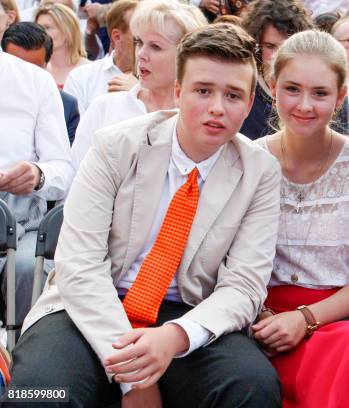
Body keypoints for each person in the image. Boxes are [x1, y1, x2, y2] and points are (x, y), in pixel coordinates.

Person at [3, 23, 282, 408]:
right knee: (39, 392)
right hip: (92, 302)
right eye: (203, 91)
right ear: (180, 92)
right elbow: (79, 265)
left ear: (250, 103)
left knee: (252, 385)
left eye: (233, 95)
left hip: (188, 310)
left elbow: (245, 286)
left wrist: (175, 337)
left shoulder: (260, 171)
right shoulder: (115, 146)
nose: (217, 107)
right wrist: (134, 380)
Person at [252, 30, 349, 407]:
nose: (305, 105)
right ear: (272, 86)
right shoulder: (248, 162)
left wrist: (304, 319)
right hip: (261, 320)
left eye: (320, 93)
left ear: (340, 98)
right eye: (292, 89)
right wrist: (269, 318)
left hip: (344, 321)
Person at [71, 0, 207, 169]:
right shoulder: (105, 107)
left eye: (155, 46)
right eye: (139, 43)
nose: (141, 54)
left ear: (187, 55)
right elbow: (77, 176)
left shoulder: (203, 117)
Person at [0, 46, 73, 337]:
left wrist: (37, 175)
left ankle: (23, 360)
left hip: (21, 223)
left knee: (31, 269)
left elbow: (62, 169)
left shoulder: (33, 81)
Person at [239, 0, 313, 140]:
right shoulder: (243, 86)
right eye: (270, 46)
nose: (276, 56)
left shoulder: (315, 89)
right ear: (257, 45)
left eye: (285, 46)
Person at [2, 21, 80, 144]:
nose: (24, 76)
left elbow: (63, 160)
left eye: (34, 71)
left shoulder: (66, 106)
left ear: (47, 63)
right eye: (16, 68)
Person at [63, 0, 138, 114]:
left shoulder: (164, 79)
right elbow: (75, 129)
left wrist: (141, 93)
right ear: (117, 37)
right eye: (138, 39)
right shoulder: (81, 78)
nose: (145, 45)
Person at [34, 3, 88, 88]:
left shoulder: (90, 70)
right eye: (38, 28)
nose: (40, 33)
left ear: (68, 31)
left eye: (47, 27)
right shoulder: (34, 69)